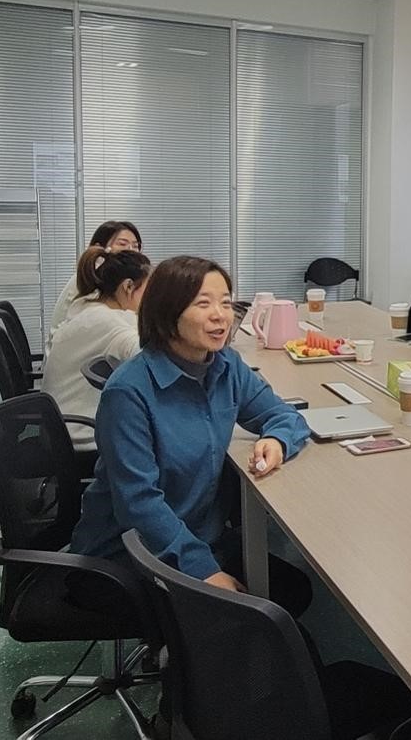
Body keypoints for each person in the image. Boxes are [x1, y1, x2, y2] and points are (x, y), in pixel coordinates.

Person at [70, 255, 312, 614]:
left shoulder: (225, 366)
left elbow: (284, 415)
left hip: (200, 535)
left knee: (293, 591)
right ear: (167, 312)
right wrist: (202, 570)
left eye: (226, 303)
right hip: (129, 554)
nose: (220, 315)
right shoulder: (129, 392)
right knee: (268, 613)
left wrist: (277, 440)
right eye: (203, 304)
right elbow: (139, 504)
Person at [41, 247, 151, 428]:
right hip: (79, 429)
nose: (150, 299)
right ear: (128, 287)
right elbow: (148, 356)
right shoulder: (106, 322)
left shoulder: (87, 305)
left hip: (57, 421)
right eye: (148, 291)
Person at [49, 220, 143, 347]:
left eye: (135, 246)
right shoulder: (91, 278)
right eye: (122, 244)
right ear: (100, 248)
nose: (131, 250)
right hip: (68, 348)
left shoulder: (123, 283)